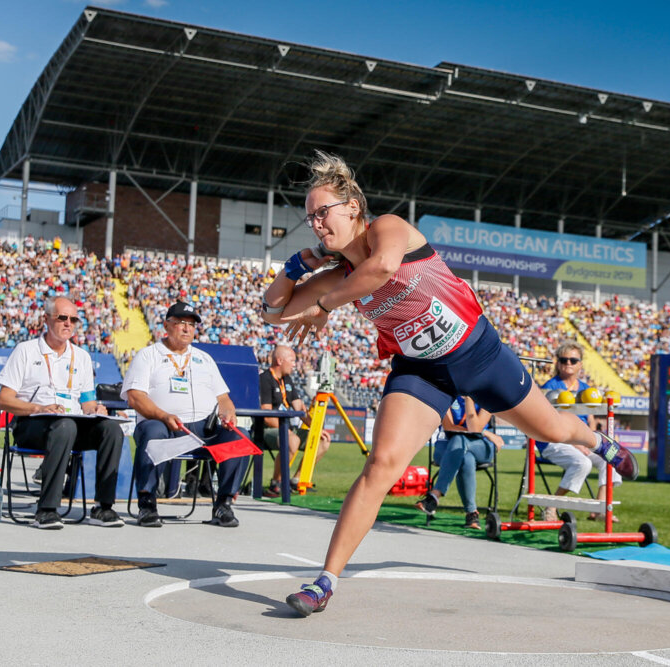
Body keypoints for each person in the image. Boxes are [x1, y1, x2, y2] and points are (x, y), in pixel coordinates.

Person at [261, 150, 637, 617]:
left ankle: (596, 441)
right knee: (381, 465)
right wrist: (298, 264)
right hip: (422, 372)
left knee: (552, 431)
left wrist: (324, 308)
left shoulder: (390, 229)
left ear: (353, 207)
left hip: (479, 354)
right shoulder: (337, 274)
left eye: (323, 213)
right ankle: (324, 581)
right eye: (310, 218)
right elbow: (272, 311)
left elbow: (380, 269)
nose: (317, 224)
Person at [0, 296, 124, 529]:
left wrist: (97, 409)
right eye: (62, 318)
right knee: (65, 426)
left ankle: (104, 508)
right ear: (46, 319)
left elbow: (86, 402)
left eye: (73, 319)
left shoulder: (82, 356)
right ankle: (46, 510)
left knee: (111, 429)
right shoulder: (26, 350)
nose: (68, 324)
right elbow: (4, 400)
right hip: (32, 423)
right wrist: (38, 408)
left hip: (70, 425)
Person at [122, 301, 248, 528]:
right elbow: (135, 397)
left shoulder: (204, 359)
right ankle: (147, 504)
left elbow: (224, 398)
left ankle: (224, 504)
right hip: (164, 425)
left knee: (240, 436)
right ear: (166, 326)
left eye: (191, 324)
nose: (187, 328)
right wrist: (163, 416)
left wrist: (228, 415)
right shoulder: (148, 355)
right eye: (181, 323)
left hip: (203, 428)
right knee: (152, 431)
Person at [538, 342, 622, 523]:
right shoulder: (549, 387)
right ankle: (551, 507)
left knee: (611, 456)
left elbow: (590, 421)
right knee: (582, 462)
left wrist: (594, 442)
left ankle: (600, 508)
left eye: (573, 360)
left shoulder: (586, 389)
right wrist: (576, 444)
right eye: (564, 359)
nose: (568, 363)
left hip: (580, 439)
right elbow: (549, 423)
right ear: (558, 363)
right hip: (554, 440)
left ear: (580, 364)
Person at [415, 396, 504, 529]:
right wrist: (486, 433)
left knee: (459, 442)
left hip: (480, 447)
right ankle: (471, 514)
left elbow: (475, 428)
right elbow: (450, 427)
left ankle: (434, 496)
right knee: (465, 456)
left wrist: (469, 399)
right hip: (447, 447)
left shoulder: (486, 394)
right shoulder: (447, 395)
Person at [258, 344, 317, 497]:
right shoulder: (265, 379)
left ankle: (296, 479)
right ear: (279, 360)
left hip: (287, 429)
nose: (294, 364)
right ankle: (275, 484)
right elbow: (267, 416)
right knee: (292, 440)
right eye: (291, 360)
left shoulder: (287, 379)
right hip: (265, 430)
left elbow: (299, 408)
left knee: (321, 440)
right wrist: (286, 430)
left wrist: (317, 429)